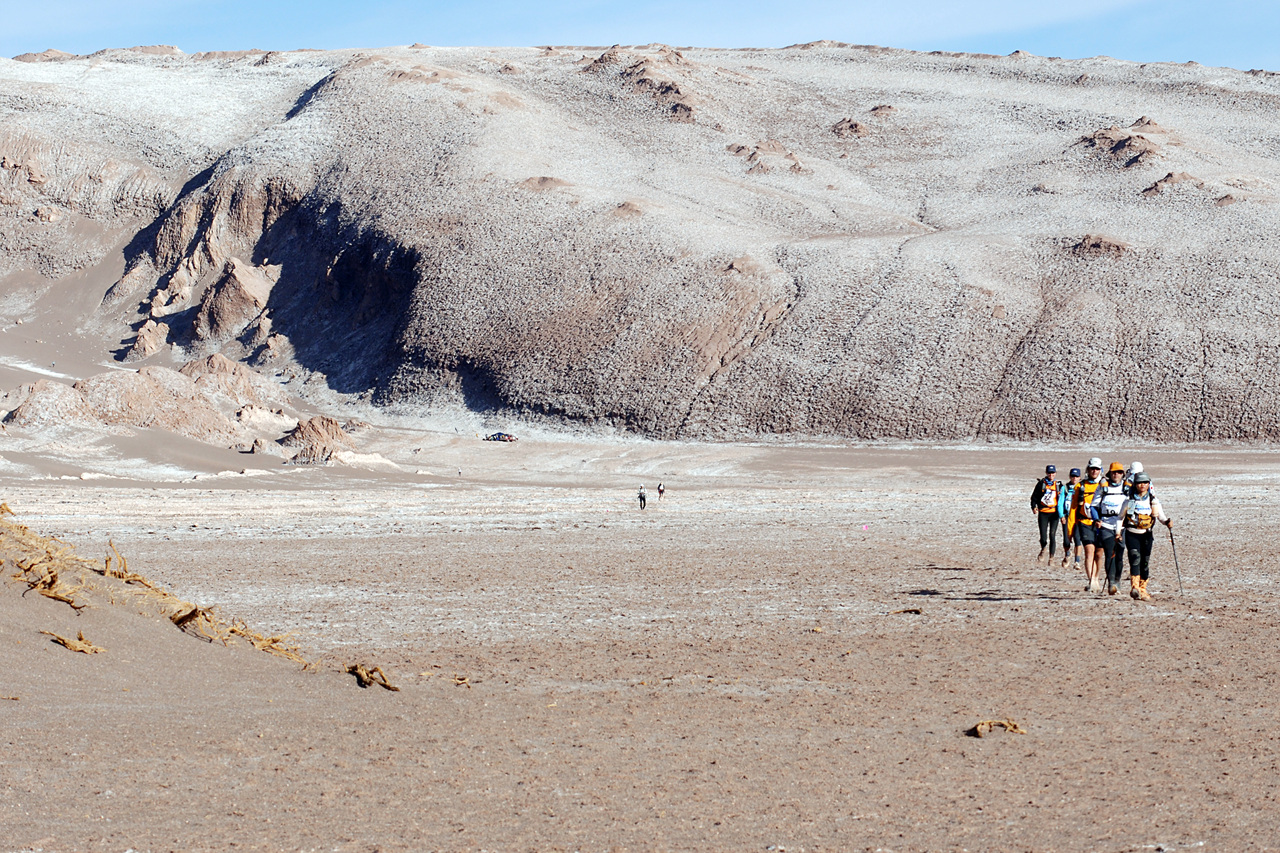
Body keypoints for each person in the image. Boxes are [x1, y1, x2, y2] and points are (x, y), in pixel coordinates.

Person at [1121, 472, 1172, 599]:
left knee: (1144, 562)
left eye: (1145, 483)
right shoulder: (1128, 500)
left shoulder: (1153, 500)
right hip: (1132, 534)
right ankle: (1135, 587)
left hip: (1147, 535)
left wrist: (1167, 522)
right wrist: (1117, 533)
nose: (1142, 485)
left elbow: (1160, 516)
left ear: (1149, 484)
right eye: (1139, 483)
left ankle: (1143, 588)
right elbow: (1120, 517)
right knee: (1134, 559)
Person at [1090, 462, 1130, 595]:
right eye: (1114, 472)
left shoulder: (1127, 487)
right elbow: (1094, 506)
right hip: (1106, 524)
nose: (1116, 475)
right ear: (1109, 473)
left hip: (1122, 526)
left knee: (1119, 554)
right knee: (1109, 553)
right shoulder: (1103, 487)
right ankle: (1111, 583)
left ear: (1122, 474)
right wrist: (1097, 519)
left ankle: (1117, 580)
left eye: (1119, 472)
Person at [1070, 458, 1105, 592]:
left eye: (1097, 469)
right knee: (1089, 551)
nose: (1094, 471)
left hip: (1101, 524)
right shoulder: (1080, 486)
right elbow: (1073, 509)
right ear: (1088, 470)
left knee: (1099, 553)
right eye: (1092, 469)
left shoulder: (1104, 485)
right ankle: (1092, 581)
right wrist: (1070, 530)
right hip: (1084, 522)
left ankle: (1096, 577)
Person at [1030, 464, 1061, 564]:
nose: (1051, 475)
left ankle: (1051, 558)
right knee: (1043, 536)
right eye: (1049, 473)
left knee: (1052, 535)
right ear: (1046, 473)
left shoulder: (1058, 485)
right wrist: (1034, 507)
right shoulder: (1041, 484)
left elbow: (1063, 500)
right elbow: (1034, 497)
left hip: (1054, 513)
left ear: (1055, 473)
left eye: (1053, 473)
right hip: (1043, 513)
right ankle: (1043, 548)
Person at [1057, 468, 1082, 569]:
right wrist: (1061, 515)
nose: (1074, 478)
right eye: (1072, 476)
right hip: (1067, 516)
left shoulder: (1081, 488)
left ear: (1079, 477)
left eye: (1076, 477)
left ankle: (1077, 561)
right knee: (1067, 540)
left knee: (1077, 538)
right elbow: (1060, 503)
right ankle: (1067, 554)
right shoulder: (1065, 488)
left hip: (1078, 517)